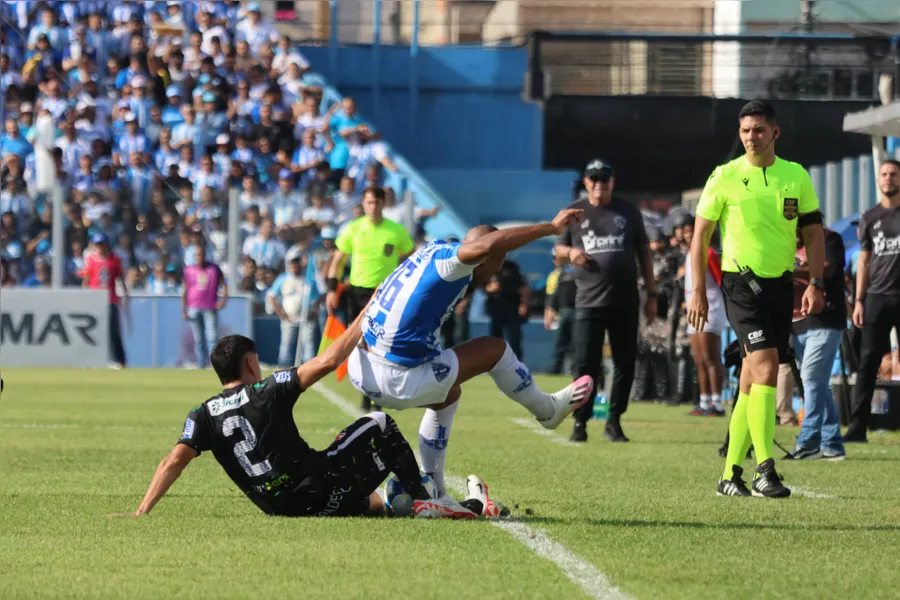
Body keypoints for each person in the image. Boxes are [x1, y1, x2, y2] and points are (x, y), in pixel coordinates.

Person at [109, 310, 481, 519]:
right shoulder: (268, 389)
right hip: (316, 487)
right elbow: (329, 359)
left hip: (282, 508)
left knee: (376, 504)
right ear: (251, 362)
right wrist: (367, 314)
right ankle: (422, 499)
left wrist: (142, 510)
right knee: (379, 423)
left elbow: (174, 460)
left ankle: (400, 501)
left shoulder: (203, 413)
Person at [347, 208, 594, 500]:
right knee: (495, 349)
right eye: (498, 262)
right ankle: (547, 410)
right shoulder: (454, 262)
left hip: (362, 368)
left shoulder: (432, 251)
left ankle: (432, 489)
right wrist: (551, 228)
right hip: (393, 377)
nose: (497, 271)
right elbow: (489, 244)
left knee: (447, 393)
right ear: (482, 256)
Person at [688, 100, 825, 498]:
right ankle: (766, 468)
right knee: (765, 367)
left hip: (782, 286)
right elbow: (700, 237)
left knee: (751, 382)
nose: (752, 137)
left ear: (775, 132)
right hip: (740, 285)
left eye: (759, 130)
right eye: (746, 130)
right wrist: (697, 290)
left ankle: (730, 474)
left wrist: (815, 282)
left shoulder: (795, 176)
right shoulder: (724, 176)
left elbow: (814, 233)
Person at [554, 160, 657, 443]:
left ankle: (614, 420)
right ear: (586, 183)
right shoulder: (575, 211)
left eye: (604, 178)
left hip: (625, 301)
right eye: (594, 178)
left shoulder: (627, 211)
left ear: (612, 181)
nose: (599, 183)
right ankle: (580, 422)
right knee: (585, 364)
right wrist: (570, 254)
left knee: (625, 363)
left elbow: (644, 254)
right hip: (587, 302)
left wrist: (651, 294)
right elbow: (557, 249)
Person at [326, 185, 414, 410]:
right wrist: (331, 289)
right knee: (361, 345)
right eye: (369, 202)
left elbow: (411, 259)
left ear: (383, 203)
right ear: (363, 204)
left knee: (383, 345)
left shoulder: (396, 231)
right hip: (358, 293)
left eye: (377, 202)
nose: (373, 207)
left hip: (386, 294)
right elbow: (337, 261)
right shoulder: (352, 229)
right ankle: (366, 393)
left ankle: (381, 395)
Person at [847, 159, 900, 442]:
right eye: (884, 174)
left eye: (893, 174)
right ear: (877, 181)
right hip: (876, 297)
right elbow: (864, 262)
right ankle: (857, 428)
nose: (888, 178)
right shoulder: (870, 217)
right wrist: (858, 301)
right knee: (867, 361)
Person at [783, 227, 847, 460]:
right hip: (798, 323)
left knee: (810, 379)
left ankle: (809, 440)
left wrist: (790, 270)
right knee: (818, 384)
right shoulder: (786, 241)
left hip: (826, 319)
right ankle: (832, 444)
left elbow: (826, 270)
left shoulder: (829, 238)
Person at [682, 217, 726, 417]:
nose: (689, 234)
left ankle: (717, 403)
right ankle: (704, 400)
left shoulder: (708, 252)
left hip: (710, 307)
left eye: (692, 230)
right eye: (686, 231)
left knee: (710, 357)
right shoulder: (689, 253)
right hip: (693, 309)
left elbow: (721, 280)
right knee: (698, 359)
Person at [82, 233, 128, 369]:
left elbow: (120, 279)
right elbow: (86, 280)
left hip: (110, 300)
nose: (100, 247)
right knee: (93, 331)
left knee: (113, 331)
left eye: (102, 244)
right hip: (95, 300)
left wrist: (124, 295)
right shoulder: (91, 260)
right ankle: (91, 359)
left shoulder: (114, 260)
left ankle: (119, 360)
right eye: (97, 244)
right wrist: (85, 296)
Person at [182, 245, 227, 369]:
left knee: (212, 336)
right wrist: (184, 309)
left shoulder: (214, 269)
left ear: (205, 255)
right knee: (198, 338)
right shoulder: (189, 270)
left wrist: (223, 299)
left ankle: (215, 364)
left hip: (209, 306)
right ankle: (201, 364)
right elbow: (185, 289)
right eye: (196, 255)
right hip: (193, 307)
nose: (198, 257)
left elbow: (223, 284)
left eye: (200, 254)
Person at [484, 258, 529, 359]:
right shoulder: (489, 266)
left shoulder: (511, 267)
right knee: (495, 339)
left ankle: (518, 364)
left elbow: (523, 287)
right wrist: (491, 288)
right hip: (496, 307)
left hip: (512, 307)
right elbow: (482, 286)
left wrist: (523, 304)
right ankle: (494, 363)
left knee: (515, 339)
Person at [544, 253, 577, 375]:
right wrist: (551, 310)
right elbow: (555, 295)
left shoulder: (582, 272)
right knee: (560, 343)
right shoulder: (562, 274)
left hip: (577, 311)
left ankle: (575, 370)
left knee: (575, 344)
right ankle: (556, 369)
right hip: (563, 312)